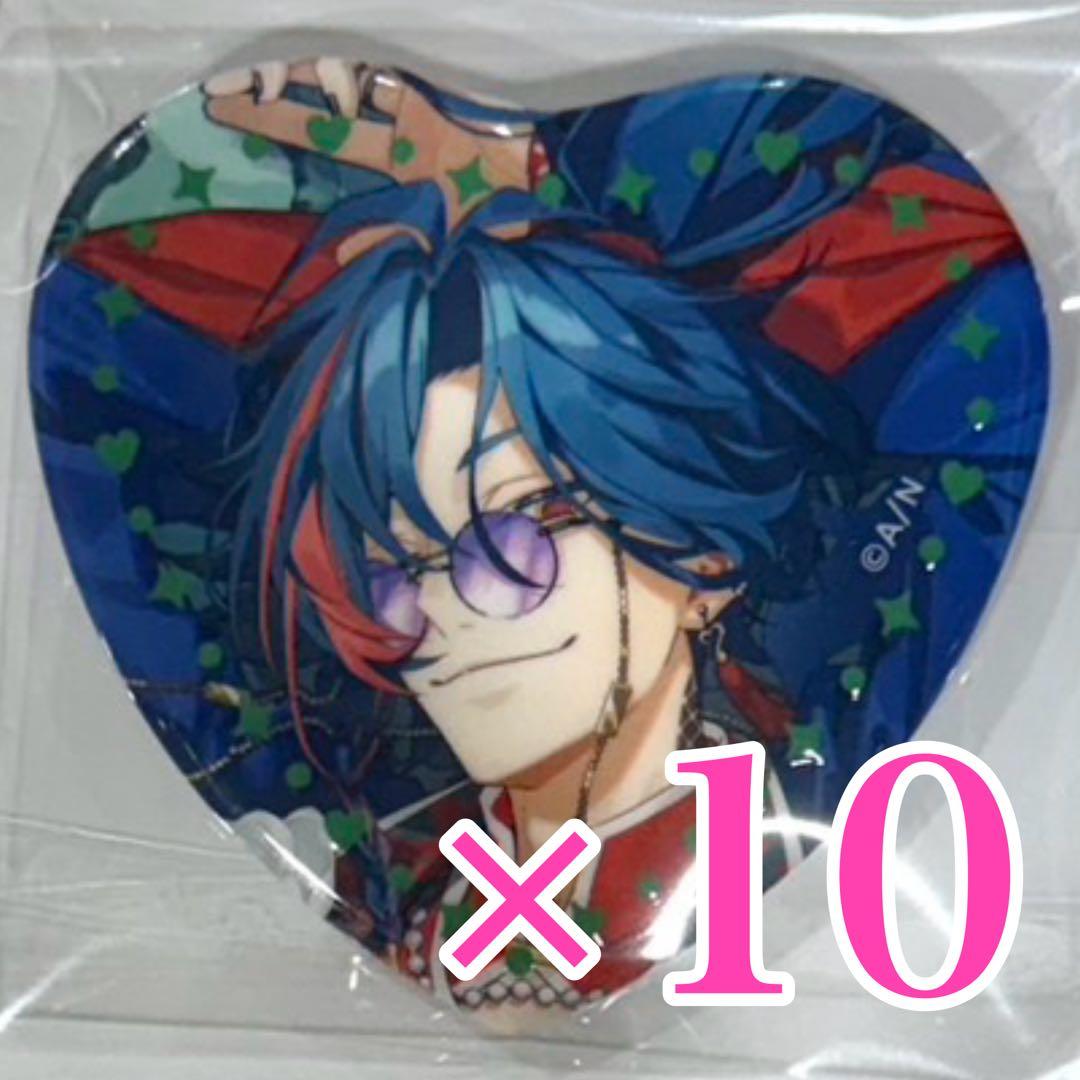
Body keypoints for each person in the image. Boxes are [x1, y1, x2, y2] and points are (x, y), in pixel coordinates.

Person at [39, 59, 1048, 1009]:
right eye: (388, 579)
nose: (443, 620)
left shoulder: (817, 761)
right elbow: (82, 329)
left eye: (508, 547)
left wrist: (528, 178)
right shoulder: (383, 868)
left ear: (701, 557)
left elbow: (965, 264)